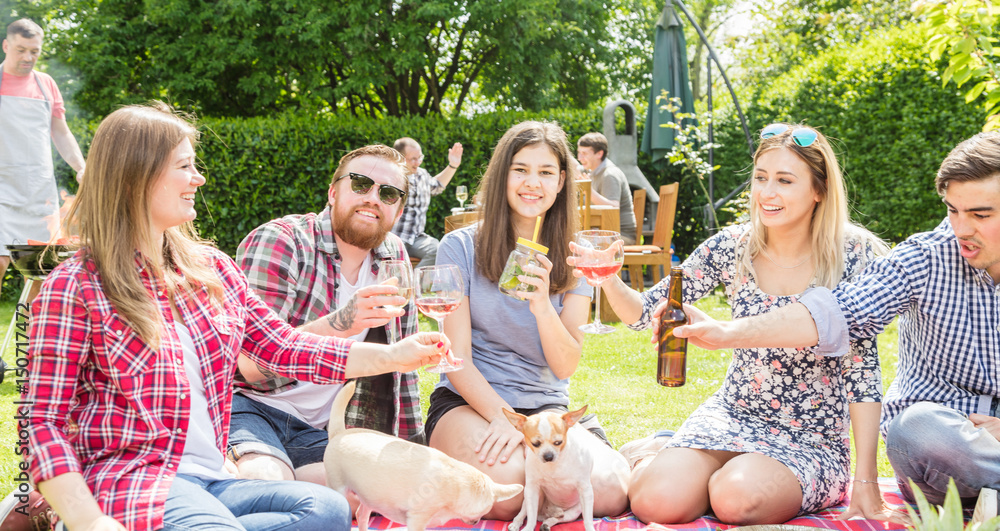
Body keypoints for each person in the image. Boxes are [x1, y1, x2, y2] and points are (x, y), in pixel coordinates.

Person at [24, 102, 451, 531]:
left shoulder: (211, 271)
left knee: (326, 510)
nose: (200, 178)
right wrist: (88, 520)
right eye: (185, 166)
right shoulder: (76, 285)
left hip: (211, 478)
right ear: (138, 173)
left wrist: (395, 354)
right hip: (134, 480)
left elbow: (283, 347)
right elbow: (42, 421)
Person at [674, 130, 1000, 517]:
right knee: (916, 426)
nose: (961, 228)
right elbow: (835, 313)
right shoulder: (925, 258)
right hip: (938, 455)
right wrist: (728, 333)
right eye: (952, 210)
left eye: (980, 215)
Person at [579, 123, 891, 525]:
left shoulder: (854, 254)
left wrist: (866, 480)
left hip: (811, 436)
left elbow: (863, 373)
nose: (767, 192)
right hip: (733, 414)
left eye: (784, 180)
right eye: (760, 178)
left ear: (819, 190)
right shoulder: (733, 246)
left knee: (735, 498)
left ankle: (702, 467)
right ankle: (659, 450)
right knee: (654, 501)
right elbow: (644, 314)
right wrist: (606, 275)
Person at [426, 121, 630, 520]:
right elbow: (458, 358)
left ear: (561, 182)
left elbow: (565, 365)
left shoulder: (577, 257)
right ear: (502, 175)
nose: (531, 182)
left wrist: (541, 306)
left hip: (549, 409)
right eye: (520, 169)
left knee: (610, 494)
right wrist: (508, 422)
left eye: (545, 172)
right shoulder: (461, 247)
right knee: (512, 492)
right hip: (472, 402)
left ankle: (631, 453)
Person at [228, 144, 423, 492]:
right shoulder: (282, 241)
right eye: (361, 184)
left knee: (372, 494)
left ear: (398, 209)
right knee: (266, 483)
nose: (373, 198)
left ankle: (267, 476)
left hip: (321, 429)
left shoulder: (393, 257)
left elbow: (402, 372)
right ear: (333, 192)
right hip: (250, 407)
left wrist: (415, 448)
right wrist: (342, 322)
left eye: (388, 193)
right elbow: (248, 365)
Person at [1, 18, 86, 297]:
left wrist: (81, 167)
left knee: (40, 269)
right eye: (21, 49)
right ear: (6, 46)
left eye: (34, 51)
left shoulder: (46, 84)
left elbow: (61, 133)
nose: (28, 57)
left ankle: (35, 336)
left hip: (39, 194)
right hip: (1, 191)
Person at [390, 137, 463, 267]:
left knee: (438, 249)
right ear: (399, 158)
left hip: (417, 238)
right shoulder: (391, 178)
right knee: (391, 265)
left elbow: (437, 186)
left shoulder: (422, 175)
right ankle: (400, 282)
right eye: (412, 159)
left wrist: (453, 165)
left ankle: (415, 284)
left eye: (420, 157)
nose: (417, 162)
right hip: (395, 237)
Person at [577, 132, 637, 244]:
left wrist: (588, 191)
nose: (580, 158)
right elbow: (574, 167)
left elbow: (614, 207)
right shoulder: (593, 173)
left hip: (620, 236)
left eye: (584, 153)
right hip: (604, 233)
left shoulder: (609, 174)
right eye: (579, 152)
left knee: (578, 243)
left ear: (599, 154)